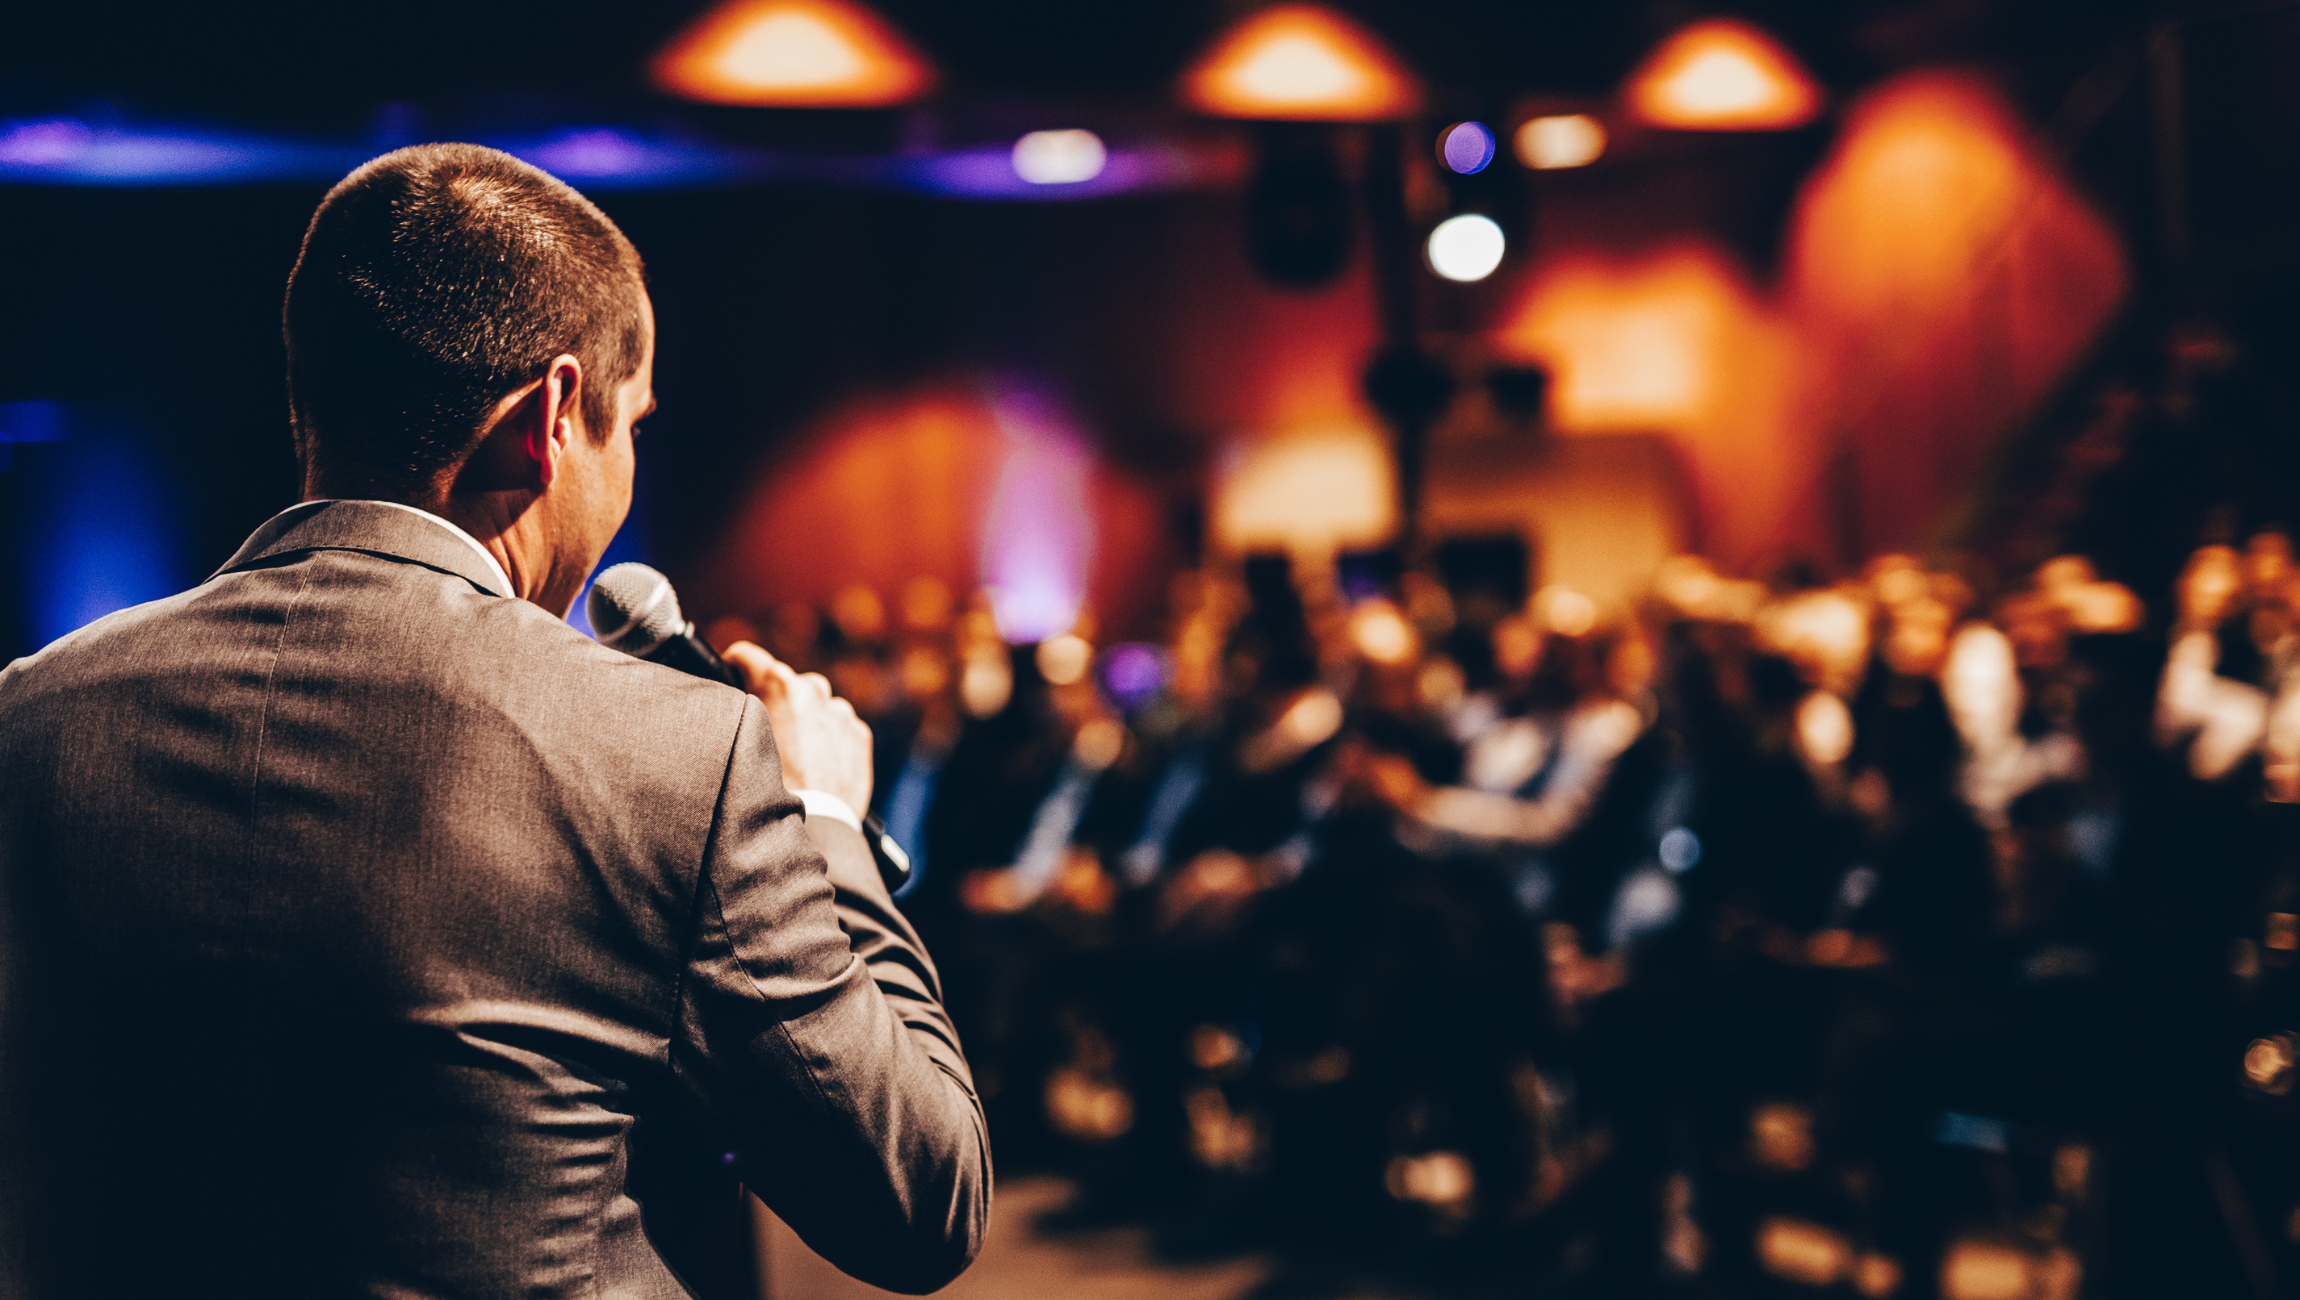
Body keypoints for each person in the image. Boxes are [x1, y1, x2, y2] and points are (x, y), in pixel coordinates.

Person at [0, 144, 988, 1299]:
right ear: (553, 416)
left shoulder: (35, 714)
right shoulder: (680, 752)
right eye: (632, 425)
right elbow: (923, 1198)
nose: (625, 473)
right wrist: (820, 817)